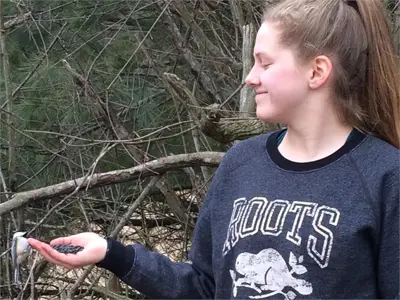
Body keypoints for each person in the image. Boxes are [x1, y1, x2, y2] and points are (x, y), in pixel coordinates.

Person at [28, 0, 399, 298]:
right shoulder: (242, 163)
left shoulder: (385, 176)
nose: (250, 77)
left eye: (265, 63)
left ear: (317, 72)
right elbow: (204, 287)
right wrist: (113, 254)